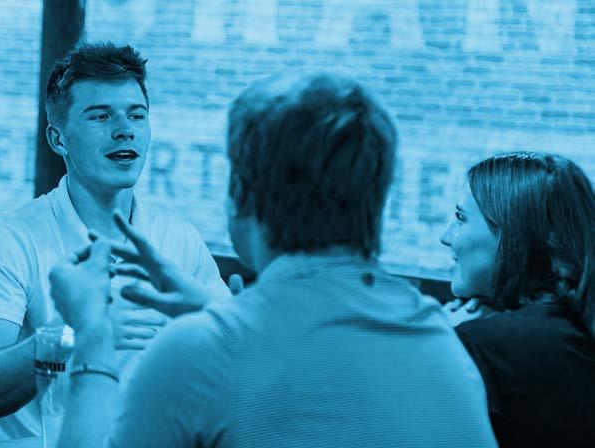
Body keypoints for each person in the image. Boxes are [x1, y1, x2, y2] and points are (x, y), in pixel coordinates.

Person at [49, 72, 498, 447]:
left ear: (242, 195)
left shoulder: (198, 355)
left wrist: (92, 334)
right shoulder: (439, 342)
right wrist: (218, 311)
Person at [0, 42, 230, 444]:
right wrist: (74, 335)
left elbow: (225, 373)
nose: (124, 129)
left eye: (136, 114)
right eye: (101, 116)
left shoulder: (180, 240)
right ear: (58, 139)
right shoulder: (7, 237)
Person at [440, 151, 595, 447]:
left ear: (512, 235)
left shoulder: (479, 345)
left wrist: (446, 340)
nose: (446, 237)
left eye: (460, 219)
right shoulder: (577, 328)